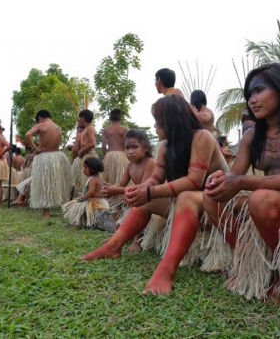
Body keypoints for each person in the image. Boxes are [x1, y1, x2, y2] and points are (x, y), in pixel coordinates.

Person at [82, 95, 229, 296]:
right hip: (191, 209)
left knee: (184, 196)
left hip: (219, 208)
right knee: (147, 200)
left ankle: (167, 270)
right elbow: (156, 178)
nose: (155, 126)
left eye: (158, 121)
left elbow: (194, 181)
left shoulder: (202, 136)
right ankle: (113, 246)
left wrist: (149, 190)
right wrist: (142, 189)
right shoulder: (167, 147)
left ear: (171, 120)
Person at [202, 63, 280, 301]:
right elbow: (235, 175)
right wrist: (221, 180)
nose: (252, 100)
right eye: (249, 95)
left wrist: (241, 182)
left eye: (259, 91)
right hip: (265, 201)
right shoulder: (251, 136)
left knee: (261, 199)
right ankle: (250, 261)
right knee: (211, 197)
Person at [102, 129, 157, 252]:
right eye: (126, 148)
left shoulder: (150, 163)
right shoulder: (130, 165)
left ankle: (138, 240)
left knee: (137, 201)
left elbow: (143, 189)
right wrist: (109, 189)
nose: (130, 152)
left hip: (152, 198)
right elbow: (121, 184)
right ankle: (119, 234)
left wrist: (114, 189)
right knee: (114, 199)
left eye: (134, 147)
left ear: (146, 148)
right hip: (138, 194)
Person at [25, 110, 73, 218]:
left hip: (45, 157)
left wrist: (34, 148)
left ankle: (46, 212)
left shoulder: (41, 125)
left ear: (40, 118)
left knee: (45, 184)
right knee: (57, 183)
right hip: (57, 156)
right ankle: (63, 208)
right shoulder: (58, 128)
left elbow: (27, 134)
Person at [62, 157, 109, 228]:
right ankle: (86, 222)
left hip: (94, 201)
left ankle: (76, 225)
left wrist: (82, 199)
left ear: (87, 170)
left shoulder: (93, 179)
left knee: (78, 207)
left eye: (83, 168)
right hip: (100, 200)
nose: (82, 170)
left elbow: (91, 192)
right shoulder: (99, 177)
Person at [73, 110, 99, 199]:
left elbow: (92, 143)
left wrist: (81, 151)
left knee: (89, 180)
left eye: (80, 118)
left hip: (90, 156)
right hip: (86, 156)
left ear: (83, 118)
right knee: (84, 181)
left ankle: (90, 200)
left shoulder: (90, 128)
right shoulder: (87, 129)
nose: (79, 120)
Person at [102, 108, 129, 185]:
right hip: (122, 156)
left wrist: (105, 156)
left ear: (110, 118)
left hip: (109, 155)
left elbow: (103, 146)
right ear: (120, 118)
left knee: (108, 180)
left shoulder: (106, 130)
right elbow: (128, 145)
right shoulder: (125, 129)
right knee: (122, 178)